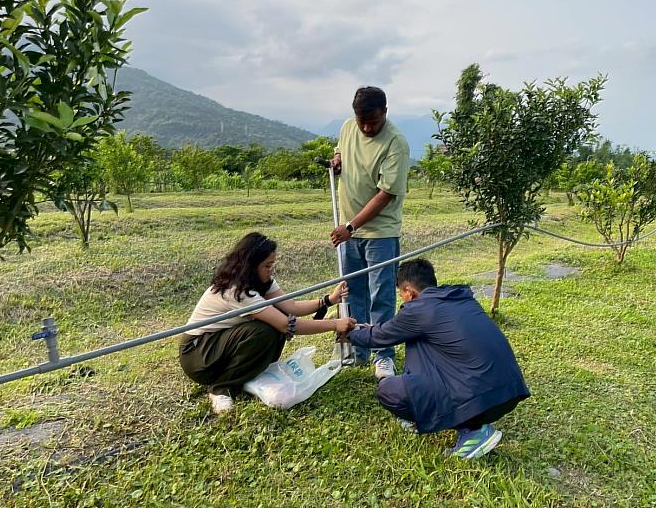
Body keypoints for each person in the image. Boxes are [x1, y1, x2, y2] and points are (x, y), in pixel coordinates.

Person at [348, 258, 530, 459]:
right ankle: (472, 424)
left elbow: (379, 337)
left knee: (389, 391)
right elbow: (390, 330)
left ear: (409, 291)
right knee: (418, 343)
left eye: (401, 294)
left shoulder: (418, 310)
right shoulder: (460, 298)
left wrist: (349, 334)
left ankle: (473, 433)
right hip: (508, 392)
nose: (403, 299)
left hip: (481, 398)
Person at [179, 232, 355, 415]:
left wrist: (328, 300)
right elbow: (288, 325)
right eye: (267, 266)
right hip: (198, 353)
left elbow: (291, 306)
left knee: (272, 326)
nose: (271, 270)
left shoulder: (262, 281)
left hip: (220, 344)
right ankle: (221, 388)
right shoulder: (236, 291)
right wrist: (334, 324)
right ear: (251, 266)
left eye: (272, 264)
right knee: (266, 330)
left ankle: (247, 374)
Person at [329, 86, 410, 380]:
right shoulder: (348, 127)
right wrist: (337, 160)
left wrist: (351, 226)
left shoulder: (396, 143)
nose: (365, 127)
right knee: (354, 292)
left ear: (385, 112)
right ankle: (357, 348)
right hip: (350, 232)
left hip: (380, 233)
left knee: (382, 295)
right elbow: (341, 148)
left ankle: (383, 355)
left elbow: (385, 194)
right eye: (361, 120)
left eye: (373, 122)